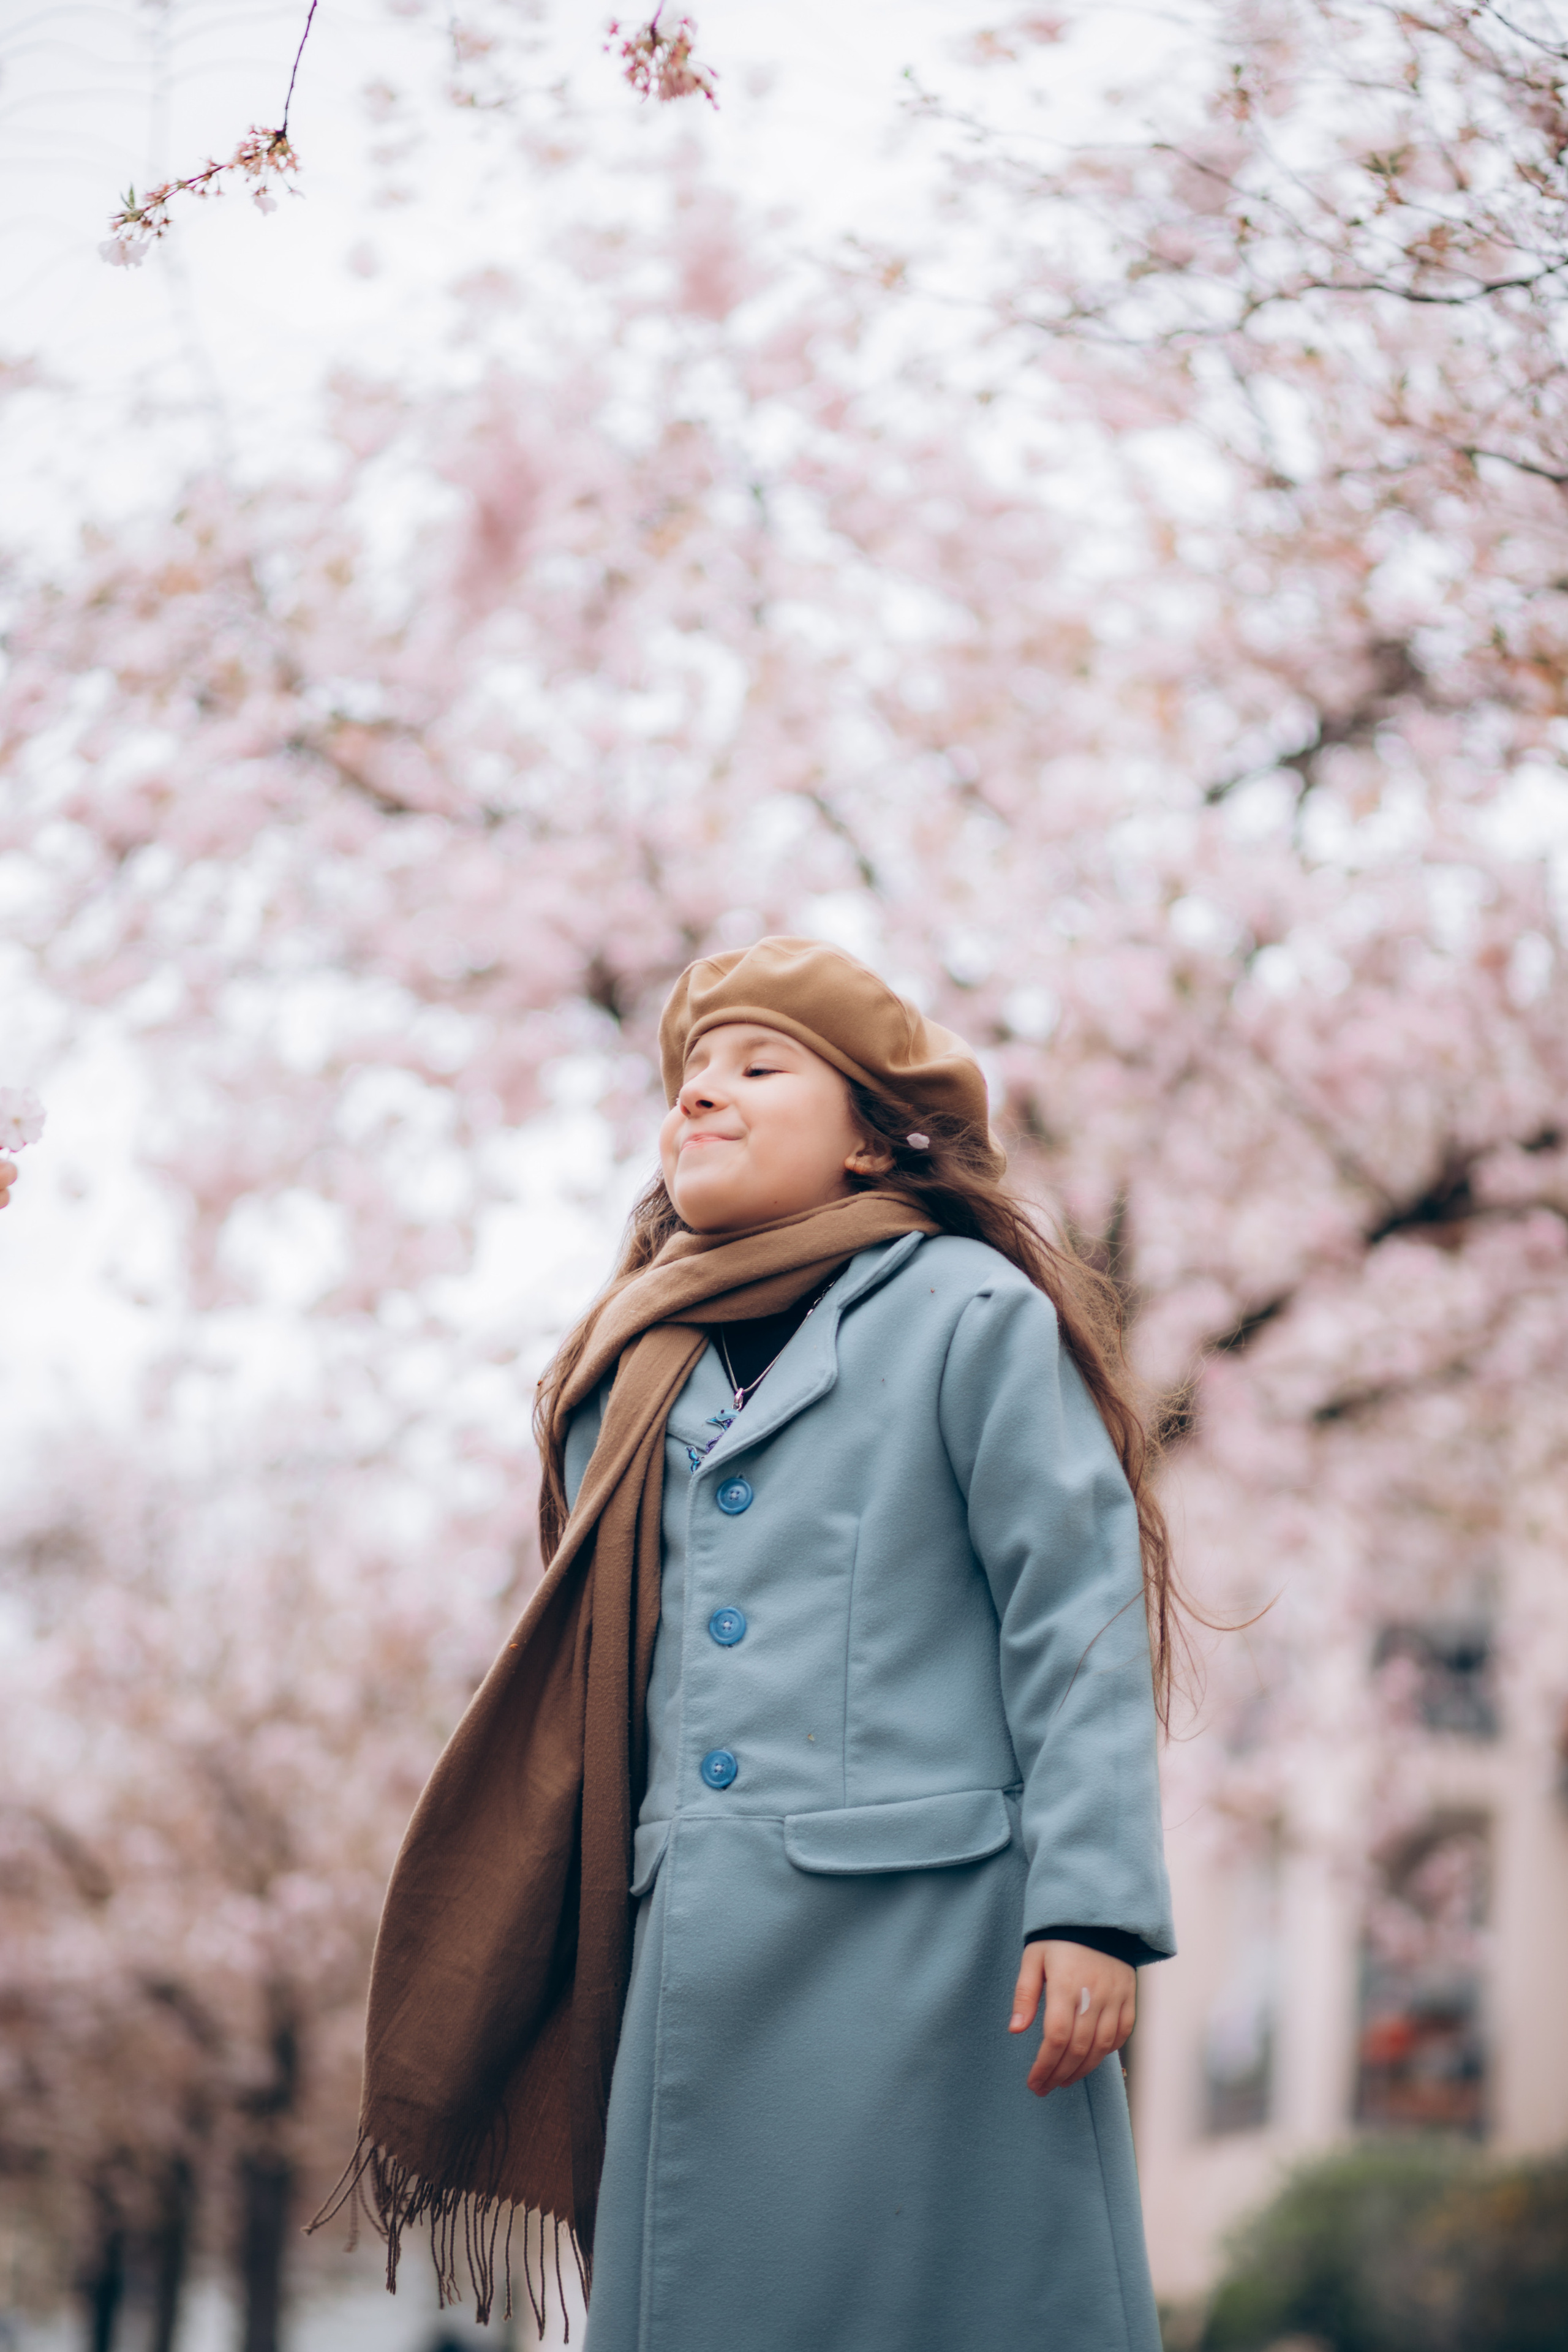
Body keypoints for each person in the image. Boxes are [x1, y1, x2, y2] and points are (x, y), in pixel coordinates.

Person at [331, 938, 1177, 2352]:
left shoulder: (965, 1315)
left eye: (757, 1068)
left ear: (871, 1142)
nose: (701, 1097)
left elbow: (1073, 1614)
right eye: (687, 1080)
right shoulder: (623, 1369)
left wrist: (1088, 1908)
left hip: (947, 1952)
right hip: (693, 1956)